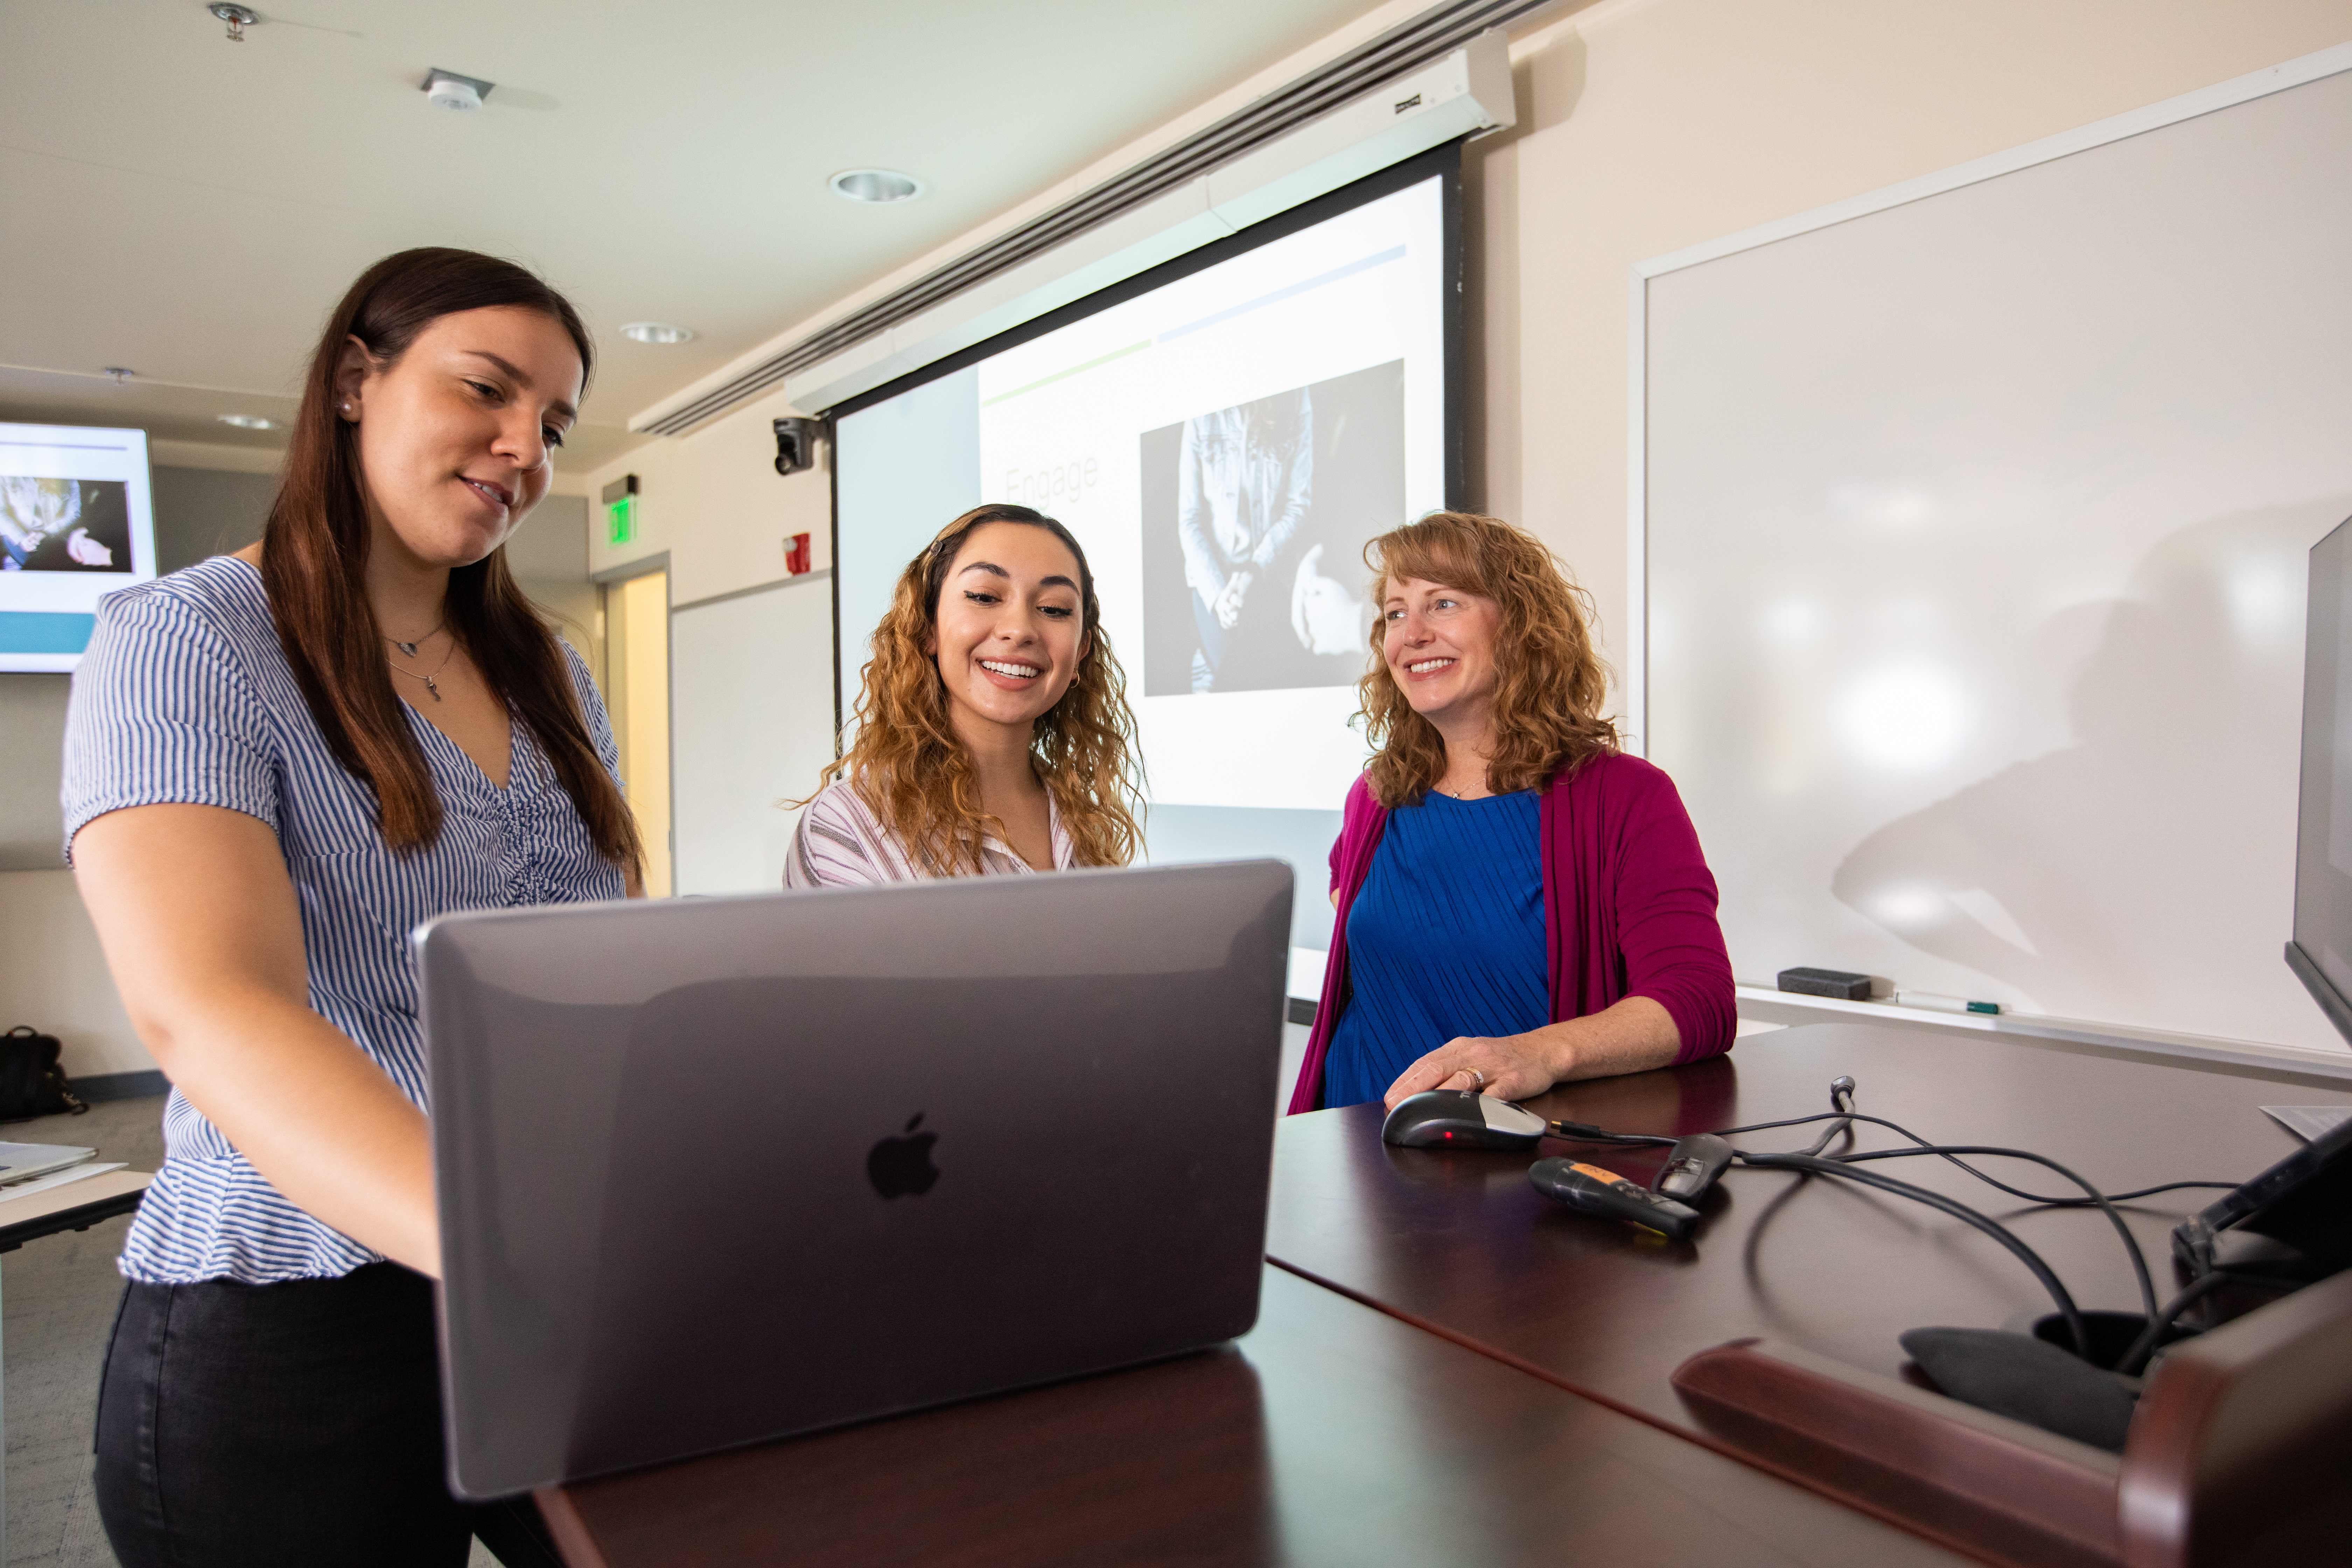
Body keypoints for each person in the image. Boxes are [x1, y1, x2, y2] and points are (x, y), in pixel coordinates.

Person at [63, 248, 638, 1567]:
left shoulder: (546, 666)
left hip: (547, 1290)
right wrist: (505, 1248)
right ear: (351, 383)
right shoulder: (188, 637)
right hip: (299, 1315)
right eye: (486, 391)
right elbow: (210, 1007)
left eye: (551, 425)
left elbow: (603, 969)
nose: (523, 447)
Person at [1288, 511, 1735, 1114]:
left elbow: (1699, 999)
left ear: (1521, 625)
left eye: (1442, 604)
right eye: (1396, 613)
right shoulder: (1374, 796)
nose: (1411, 633)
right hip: (1356, 1147)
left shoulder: (1626, 797)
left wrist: (1540, 1053)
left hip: (1522, 1159)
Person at [788, 502, 1142, 885]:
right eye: (984, 597)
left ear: (1081, 651)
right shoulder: (850, 825)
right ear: (927, 627)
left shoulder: (1087, 824)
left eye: (1054, 609)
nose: (1019, 629)